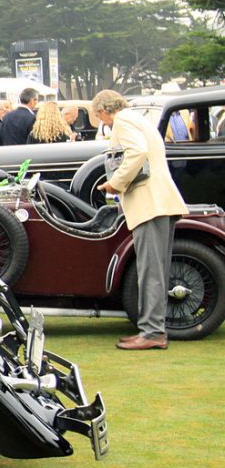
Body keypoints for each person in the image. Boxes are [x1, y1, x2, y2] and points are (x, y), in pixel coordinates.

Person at [92, 90, 189, 351]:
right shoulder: (137, 118)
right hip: (158, 202)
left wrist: (115, 183)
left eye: (99, 116)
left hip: (150, 204)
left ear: (103, 110)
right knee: (153, 270)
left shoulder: (123, 121)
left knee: (151, 271)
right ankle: (151, 329)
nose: (102, 122)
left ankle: (152, 332)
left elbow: (136, 153)